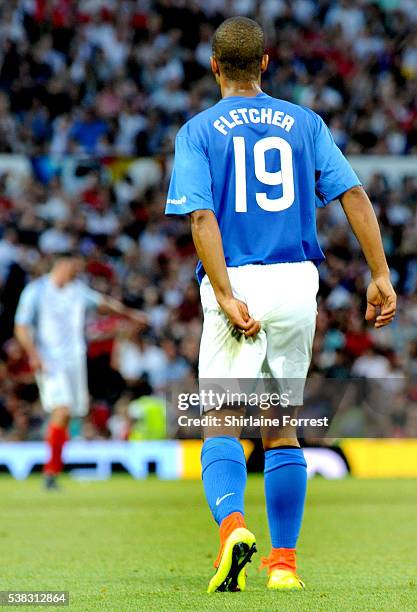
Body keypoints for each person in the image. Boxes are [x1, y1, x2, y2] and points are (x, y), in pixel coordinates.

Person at [165, 17, 396, 593]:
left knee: (220, 418)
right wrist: (380, 275)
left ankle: (235, 530)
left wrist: (223, 293)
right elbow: (353, 194)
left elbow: (200, 217)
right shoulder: (304, 122)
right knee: (281, 426)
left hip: (237, 276)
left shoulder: (198, 130)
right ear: (265, 63)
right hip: (297, 281)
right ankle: (284, 567)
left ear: (214, 65)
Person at [14, 254, 146, 489]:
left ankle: (54, 467)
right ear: (62, 265)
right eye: (75, 267)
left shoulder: (78, 291)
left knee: (70, 415)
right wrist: (34, 355)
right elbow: (21, 326)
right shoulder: (37, 290)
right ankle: (50, 473)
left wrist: (130, 314)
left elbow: (104, 305)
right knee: (62, 410)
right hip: (50, 361)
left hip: (75, 362)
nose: (78, 271)